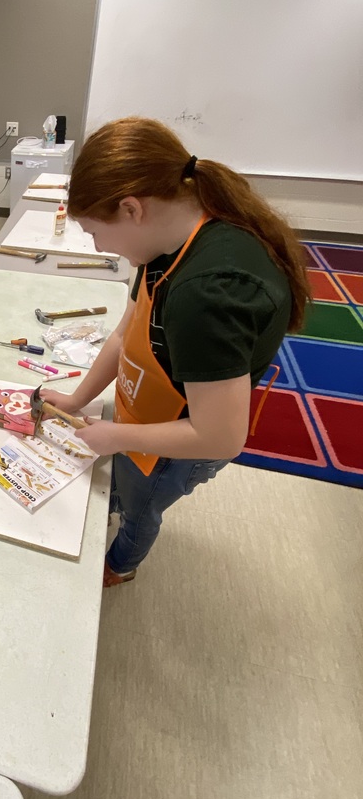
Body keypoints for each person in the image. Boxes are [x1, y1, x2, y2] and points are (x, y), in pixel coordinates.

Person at [42, 117, 311, 587]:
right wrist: (78, 398)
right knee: (127, 482)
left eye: (95, 233)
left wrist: (120, 438)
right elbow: (126, 334)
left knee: (143, 505)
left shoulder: (207, 295)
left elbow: (221, 437)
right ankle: (122, 501)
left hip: (184, 444)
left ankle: (121, 564)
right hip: (148, 412)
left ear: (131, 209)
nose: (99, 247)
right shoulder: (165, 243)